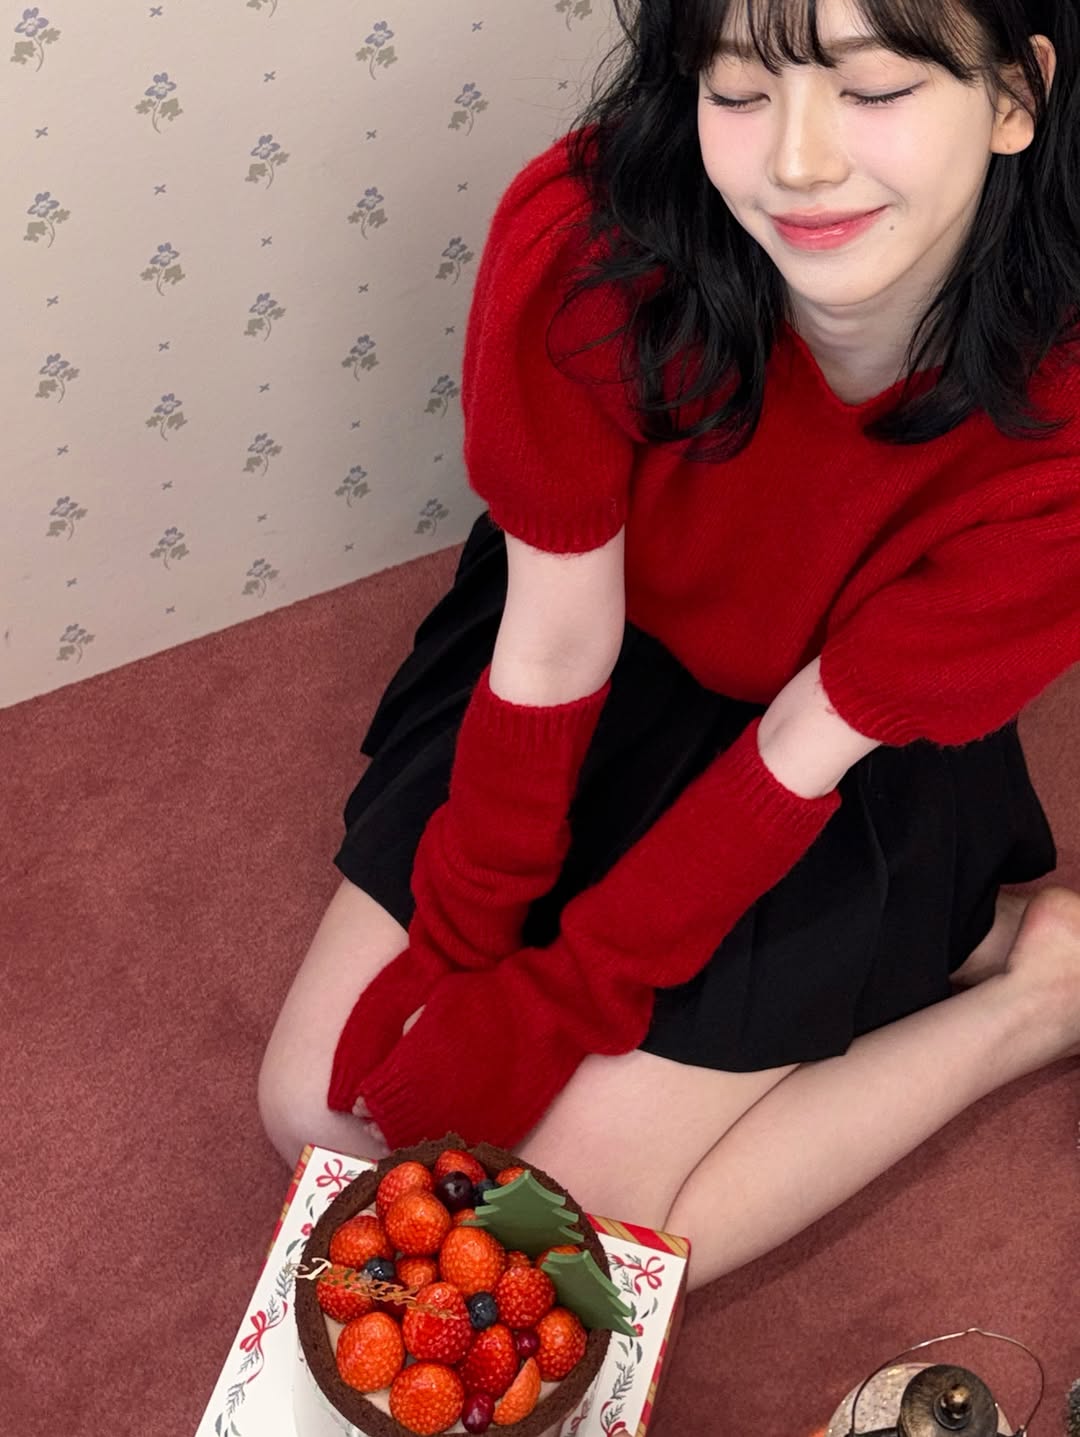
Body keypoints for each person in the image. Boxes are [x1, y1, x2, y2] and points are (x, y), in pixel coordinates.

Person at [259, 0, 1080, 1292]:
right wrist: (457, 948)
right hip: (604, 654)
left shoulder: (1065, 418)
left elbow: (803, 747)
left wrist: (561, 1002)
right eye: (739, 91)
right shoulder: (588, 242)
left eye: (874, 91)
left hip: (830, 757)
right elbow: (552, 642)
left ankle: (1038, 992)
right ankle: (951, 939)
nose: (797, 161)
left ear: (1017, 96)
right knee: (316, 1119)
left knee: (559, 1248)